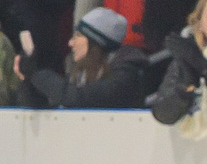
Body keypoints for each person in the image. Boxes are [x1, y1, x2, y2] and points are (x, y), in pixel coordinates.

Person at [22, 7, 152, 109]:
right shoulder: (80, 74)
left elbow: (76, 98)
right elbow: (43, 106)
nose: (70, 43)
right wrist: (28, 80)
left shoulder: (125, 77)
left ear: (95, 42)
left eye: (77, 36)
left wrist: (36, 75)